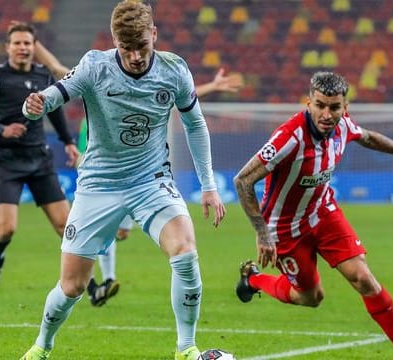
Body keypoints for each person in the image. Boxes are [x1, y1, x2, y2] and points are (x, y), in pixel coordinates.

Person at [19, 1, 226, 359]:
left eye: (141, 47)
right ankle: (42, 346)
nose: (134, 57)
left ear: (154, 35)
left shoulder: (174, 70)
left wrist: (208, 185)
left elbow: (195, 124)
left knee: (186, 252)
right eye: (125, 48)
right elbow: (57, 94)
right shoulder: (95, 66)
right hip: (98, 185)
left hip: (151, 181)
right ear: (115, 41)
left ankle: (186, 349)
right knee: (72, 286)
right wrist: (34, 103)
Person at [234, 71, 393, 360]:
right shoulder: (289, 138)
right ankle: (254, 280)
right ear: (308, 102)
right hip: (285, 228)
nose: (326, 114)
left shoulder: (343, 125)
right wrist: (262, 233)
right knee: (311, 298)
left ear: (344, 108)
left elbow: (369, 138)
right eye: (320, 105)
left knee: (363, 278)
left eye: (334, 107)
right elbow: (243, 180)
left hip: (323, 212)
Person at [33, 37, 242, 308]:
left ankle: (107, 278)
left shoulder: (154, 80)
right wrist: (36, 45)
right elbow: (58, 71)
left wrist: (212, 86)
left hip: (142, 174)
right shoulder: (92, 72)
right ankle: (106, 279)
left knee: (122, 234)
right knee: (100, 244)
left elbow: (175, 94)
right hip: (98, 170)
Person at [0, 22, 80, 296]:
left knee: (66, 226)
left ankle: (88, 282)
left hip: (39, 159)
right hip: (6, 161)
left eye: (27, 43)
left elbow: (55, 112)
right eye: (17, 43)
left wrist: (68, 142)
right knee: (6, 229)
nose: (22, 48)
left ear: (34, 47)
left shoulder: (43, 76)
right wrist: (1, 130)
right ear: (8, 48)